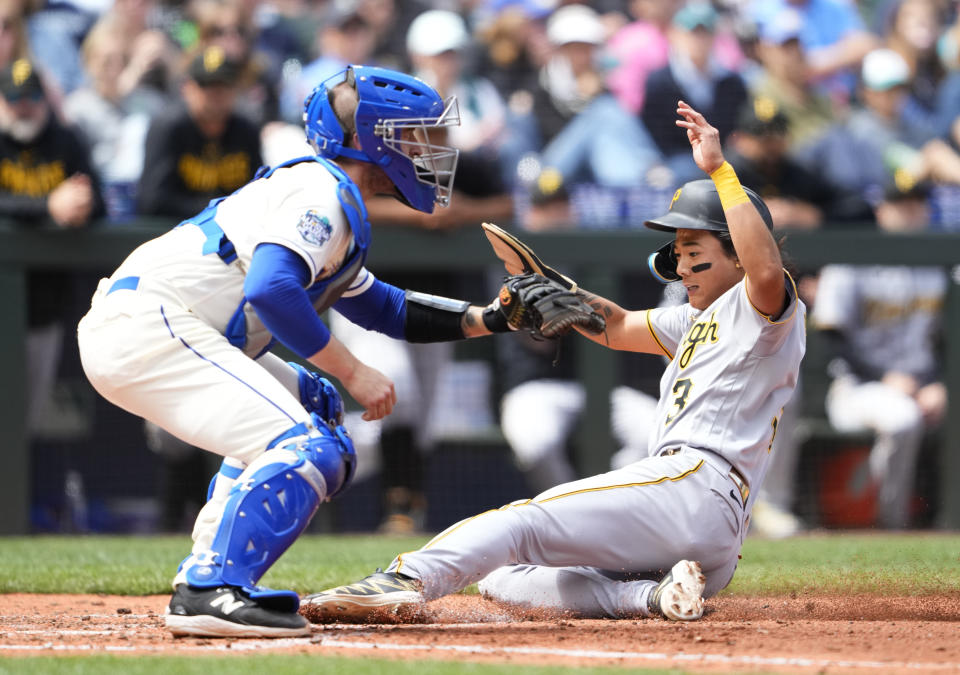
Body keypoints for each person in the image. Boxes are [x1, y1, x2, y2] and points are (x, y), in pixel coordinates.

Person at [301, 101, 806, 623]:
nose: (679, 263)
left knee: (521, 522)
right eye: (675, 250)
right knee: (503, 577)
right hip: (706, 530)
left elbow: (765, 267)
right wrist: (556, 289)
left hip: (692, 484)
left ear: (736, 249)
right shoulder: (697, 319)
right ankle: (652, 598)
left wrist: (722, 174)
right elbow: (615, 327)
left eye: (691, 246)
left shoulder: (761, 305)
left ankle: (404, 578)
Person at [76, 64, 527, 638]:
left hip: (163, 325)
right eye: (412, 134)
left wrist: (491, 318)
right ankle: (210, 591)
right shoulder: (320, 191)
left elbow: (383, 306)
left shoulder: (330, 196)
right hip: (148, 323)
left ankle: (210, 576)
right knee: (306, 443)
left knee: (314, 410)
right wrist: (354, 371)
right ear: (369, 138)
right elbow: (272, 288)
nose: (427, 148)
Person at [811, 176, 947, 529]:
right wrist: (884, 378)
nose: (909, 213)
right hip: (858, 388)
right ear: (881, 210)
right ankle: (890, 525)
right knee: (903, 418)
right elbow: (831, 340)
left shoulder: (941, 264)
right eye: (900, 205)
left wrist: (943, 383)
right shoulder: (850, 263)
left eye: (916, 204)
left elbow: (949, 340)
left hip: (926, 386)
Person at [0, 58, 104, 435]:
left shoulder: (65, 140)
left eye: (30, 98)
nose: (23, 106)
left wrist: (81, 205)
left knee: (24, 421)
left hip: (45, 304)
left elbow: (100, 203)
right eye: (14, 99)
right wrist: (47, 206)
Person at [136, 45, 262, 219]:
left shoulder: (246, 129)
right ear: (187, 88)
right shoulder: (168, 128)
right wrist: (221, 210)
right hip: (177, 234)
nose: (215, 94)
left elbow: (259, 193)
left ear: (235, 89)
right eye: (206, 85)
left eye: (223, 86)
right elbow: (153, 202)